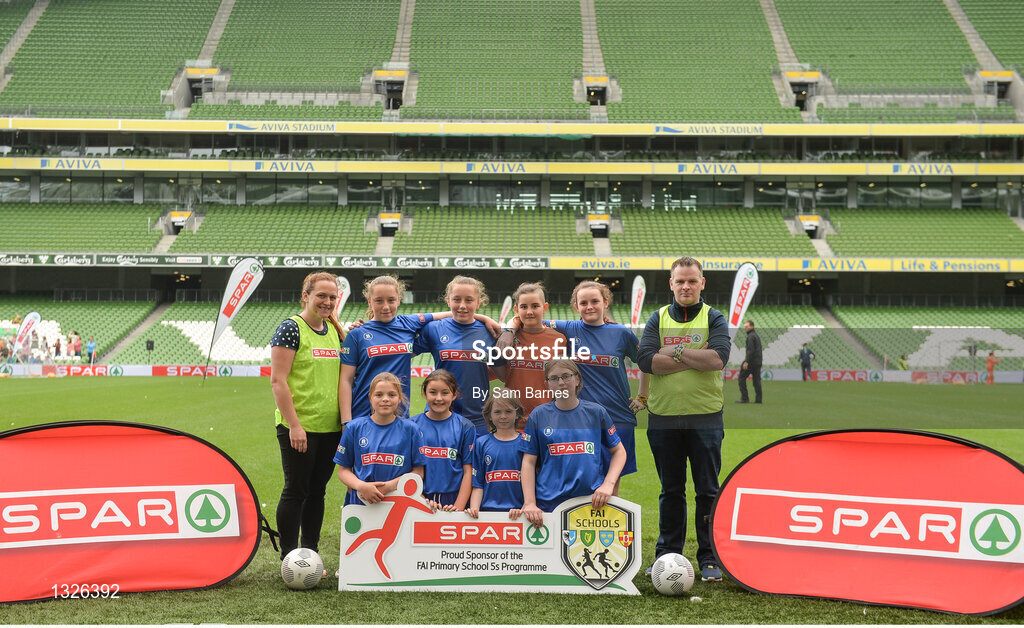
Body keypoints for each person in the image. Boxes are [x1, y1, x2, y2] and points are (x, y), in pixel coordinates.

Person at [637, 256, 730, 582]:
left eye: (692, 280)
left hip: (705, 416)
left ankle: (710, 558)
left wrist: (671, 353)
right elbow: (647, 361)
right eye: (680, 281)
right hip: (663, 418)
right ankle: (667, 554)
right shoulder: (657, 317)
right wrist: (692, 356)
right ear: (671, 284)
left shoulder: (714, 317)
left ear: (702, 283)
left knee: (708, 491)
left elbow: (717, 359)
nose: (686, 286)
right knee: (670, 491)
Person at [340, 275, 497, 424]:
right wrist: (346, 420)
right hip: (363, 414)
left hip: (399, 415)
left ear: (399, 300)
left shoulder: (408, 323)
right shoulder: (356, 334)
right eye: (379, 300)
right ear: (369, 301)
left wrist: (484, 318)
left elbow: (452, 313)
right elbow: (346, 380)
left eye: (391, 300)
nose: (386, 306)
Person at [270, 271, 346, 559]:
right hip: (299, 428)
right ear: (306, 296)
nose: (327, 302)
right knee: (295, 491)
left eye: (332, 297)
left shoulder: (336, 332)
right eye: (321, 296)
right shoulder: (291, 328)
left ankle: (310, 555)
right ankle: (290, 558)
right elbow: (278, 381)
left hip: (331, 429)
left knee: (317, 493)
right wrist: (295, 426)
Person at [545, 280, 642, 495]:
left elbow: (645, 362)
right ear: (576, 306)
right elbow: (527, 318)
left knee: (611, 481)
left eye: (595, 301)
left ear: (605, 302)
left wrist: (642, 397)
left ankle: (609, 526)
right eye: (583, 302)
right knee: (581, 477)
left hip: (618, 415)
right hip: (579, 418)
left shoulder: (621, 333)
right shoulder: (568, 329)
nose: (589, 306)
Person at [519, 359, 626, 526]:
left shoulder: (596, 413)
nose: (561, 383)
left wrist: (608, 485)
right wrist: (530, 502)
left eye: (566, 376)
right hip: (549, 502)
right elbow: (529, 461)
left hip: (590, 501)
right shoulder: (538, 415)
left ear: (577, 379)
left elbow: (619, 451)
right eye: (554, 378)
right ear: (547, 384)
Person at [414, 276, 504, 435]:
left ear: (478, 302)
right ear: (448, 301)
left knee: (474, 460)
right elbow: (401, 353)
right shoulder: (433, 329)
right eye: (457, 299)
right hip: (439, 414)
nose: (462, 305)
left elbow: (503, 374)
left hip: (477, 417)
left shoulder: (489, 333)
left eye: (469, 300)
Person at [335, 372, 427, 506]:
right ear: (370, 397)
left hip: (400, 503)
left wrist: (388, 487)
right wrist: (361, 486)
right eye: (379, 395)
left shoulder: (411, 429)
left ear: (399, 398)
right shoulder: (354, 428)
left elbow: (418, 473)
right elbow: (343, 471)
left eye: (391, 395)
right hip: (363, 502)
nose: (385, 399)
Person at [495, 282, 568, 422]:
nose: (529, 311)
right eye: (523, 307)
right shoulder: (508, 340)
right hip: (513, 420)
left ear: (545, 307)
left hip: (548, 419)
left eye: (535, 306)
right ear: (516, 309)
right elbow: (500, 375)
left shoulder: (559, 339)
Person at [409, 369, 476, 511]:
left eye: (445, 393)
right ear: (424, 393)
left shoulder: (465, 426)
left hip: (454, 500)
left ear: (454, 395)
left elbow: (468, 470)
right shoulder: (412, 426)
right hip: (420, 498)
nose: (438, 398)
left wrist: (458, 507)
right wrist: (419, 499)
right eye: (433, 392)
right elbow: (408, 470)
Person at [467, 388, 525, 518]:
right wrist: (474, 509)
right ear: (489, 415)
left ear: (517, 413)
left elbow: (533, 482)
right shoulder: (481, 443)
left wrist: (524, 508)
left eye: (508, 411)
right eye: (497, 412)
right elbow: (478, 483)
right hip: (488, 513)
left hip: (518, 513)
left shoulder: (526, 442)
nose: (503, 416)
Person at [737, 321, 762, 404]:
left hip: (751, 362)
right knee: (756, 381)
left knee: (741, 378)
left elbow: (750, 350)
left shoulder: (750, 337)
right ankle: (759, 400)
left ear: (752, 326)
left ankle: (744, 398)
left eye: (746, 326)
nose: (745, 328)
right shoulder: (756, 336)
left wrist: (746, 362)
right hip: (758, 362)